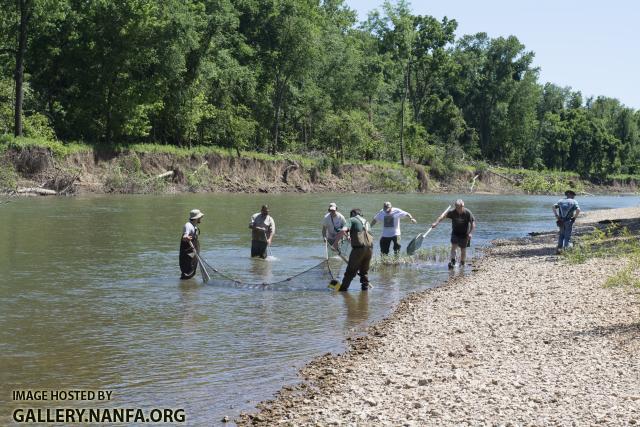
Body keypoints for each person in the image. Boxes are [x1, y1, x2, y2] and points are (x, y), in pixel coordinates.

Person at [332, 208, 374, 291]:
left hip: (358, 250)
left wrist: (335, 244)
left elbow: (343, 230)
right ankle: (364, 291)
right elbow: (364, 235)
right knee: (364, 272)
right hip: (369, 249)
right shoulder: (367, 222)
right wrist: (350, 237)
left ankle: (343, 290)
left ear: (353, 214)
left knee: (350, 271)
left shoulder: (351, 220)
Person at [432, 199, 476, 269]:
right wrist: (436, 223)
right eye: (456, 207)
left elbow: (473, 224)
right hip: (455, 233)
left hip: (465, 234)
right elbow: (442, 217)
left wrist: (470, 233)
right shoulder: (452, 212)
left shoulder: (467, 213)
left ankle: (462, 263)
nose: (458, 209)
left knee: (463, 249)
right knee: (454, 247)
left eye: (459, 208)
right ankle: (453, 262)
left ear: (462, 206)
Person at [553, 190, 580, 254]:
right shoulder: (574, 201)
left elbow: (553, 207)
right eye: (573, 195)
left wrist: (556, 216)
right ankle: (566, 250)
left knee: (561, 235)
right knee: (567, 236)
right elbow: (578, 210)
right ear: (570, 194)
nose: (574, 196)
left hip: (561, 221)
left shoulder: (560, 201)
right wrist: (574, 217)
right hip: (569, 221)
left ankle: (559, 249)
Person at [179, 209, 204, 279]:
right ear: (196, 218)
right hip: (188, 255)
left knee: (191, 273)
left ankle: (187, 288)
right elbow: (185, 236)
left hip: (193, 254)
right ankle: (186, 288)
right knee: (187, 274)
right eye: (200, 217)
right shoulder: (188, 225)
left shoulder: (194, 226)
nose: (201, 218)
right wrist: (186, 237)